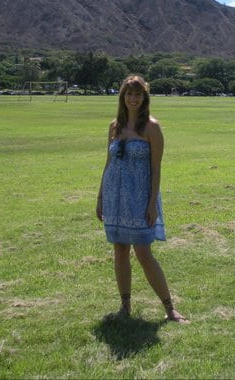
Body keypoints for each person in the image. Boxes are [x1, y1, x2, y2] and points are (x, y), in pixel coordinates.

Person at [96, 75, 188, 323]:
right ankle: (125, 306)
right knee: (120, 250)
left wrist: (151, 204)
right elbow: (108, 163)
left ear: (145, 98)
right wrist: (100, 196)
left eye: (138, 94)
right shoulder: (114, 126)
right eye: (129, 94)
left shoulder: (152, 128)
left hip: (139, 198)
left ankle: (170, 309)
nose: (133, 99)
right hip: (114, 196)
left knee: (144, 253)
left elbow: (156, 169)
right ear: (122, 97)